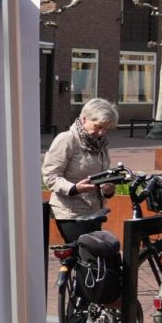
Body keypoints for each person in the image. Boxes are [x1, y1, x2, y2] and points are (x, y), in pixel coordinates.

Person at [43, 98, 118, 230]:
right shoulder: (67, 139)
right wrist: (74, 188)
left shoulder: (100, 144)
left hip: (94, 211)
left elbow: (102, 175)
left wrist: (108, 189)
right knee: (84, 250)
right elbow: (50, 176)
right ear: (84, 119)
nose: (101, 133)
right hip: (70, 213)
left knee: (97, 249)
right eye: (98, 127)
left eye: (106, 129)